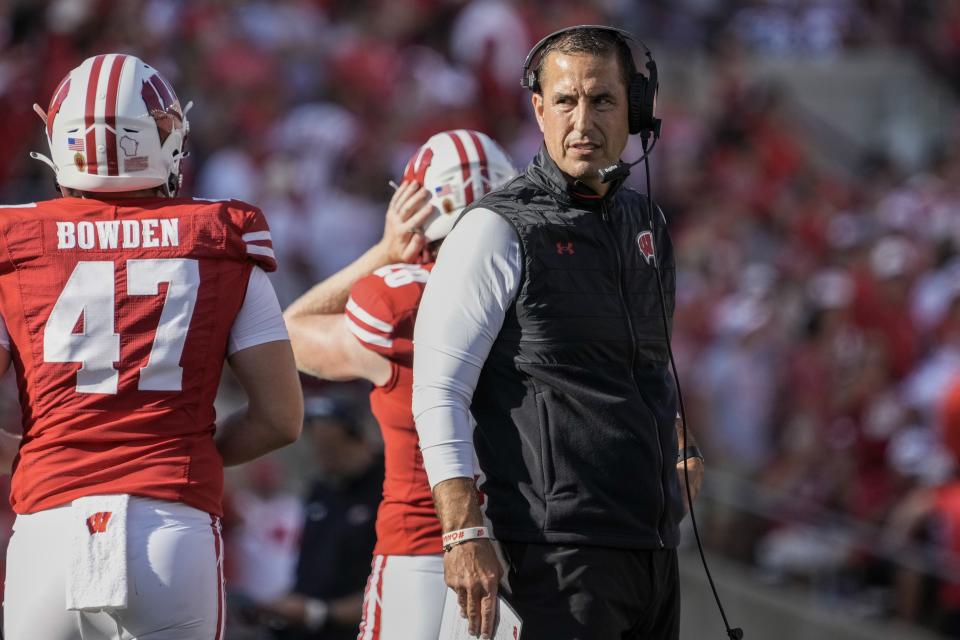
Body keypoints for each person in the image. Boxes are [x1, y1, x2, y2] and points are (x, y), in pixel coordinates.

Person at [412, 26, 705, 640]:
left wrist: (679, 441)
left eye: (602, 101)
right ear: (539, 110)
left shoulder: (647, 220)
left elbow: (648, 364)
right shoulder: (494, 229)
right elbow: (438, 391)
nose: (583, 120)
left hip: (651, 545)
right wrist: (464, 533)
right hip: (550, 552)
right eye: (566, 101)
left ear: (637, 111)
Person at [0, 54, 303, 640]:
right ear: (162, 138)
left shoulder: (15, 240)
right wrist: (177, 453)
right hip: (172, 527)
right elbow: (281, 418)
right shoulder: (220, 233)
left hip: (50, 526)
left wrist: (32, 454)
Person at [283, 130, 515, 639]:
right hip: (528, 554)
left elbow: (290, 334)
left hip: (423, 554)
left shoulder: (402, 302)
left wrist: (384, 253)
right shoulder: (545, 294)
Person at [258, 397, 383, 640]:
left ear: (359, 439)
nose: (323, 456)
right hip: (304, 628)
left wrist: (318, 612)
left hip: (358, 629)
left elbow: (393, 585)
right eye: (318, 446)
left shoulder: (388, 488)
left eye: (331, 448)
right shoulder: (320, 490)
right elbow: (309, 566)